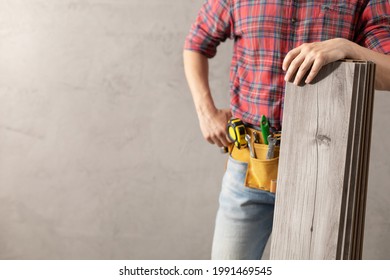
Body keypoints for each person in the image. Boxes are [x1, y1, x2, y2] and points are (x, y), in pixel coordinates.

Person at [183, 0, 390, 259]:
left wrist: (346, 48)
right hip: (248, 171)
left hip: (321, 175)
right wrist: (206, 113)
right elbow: (196, 43)